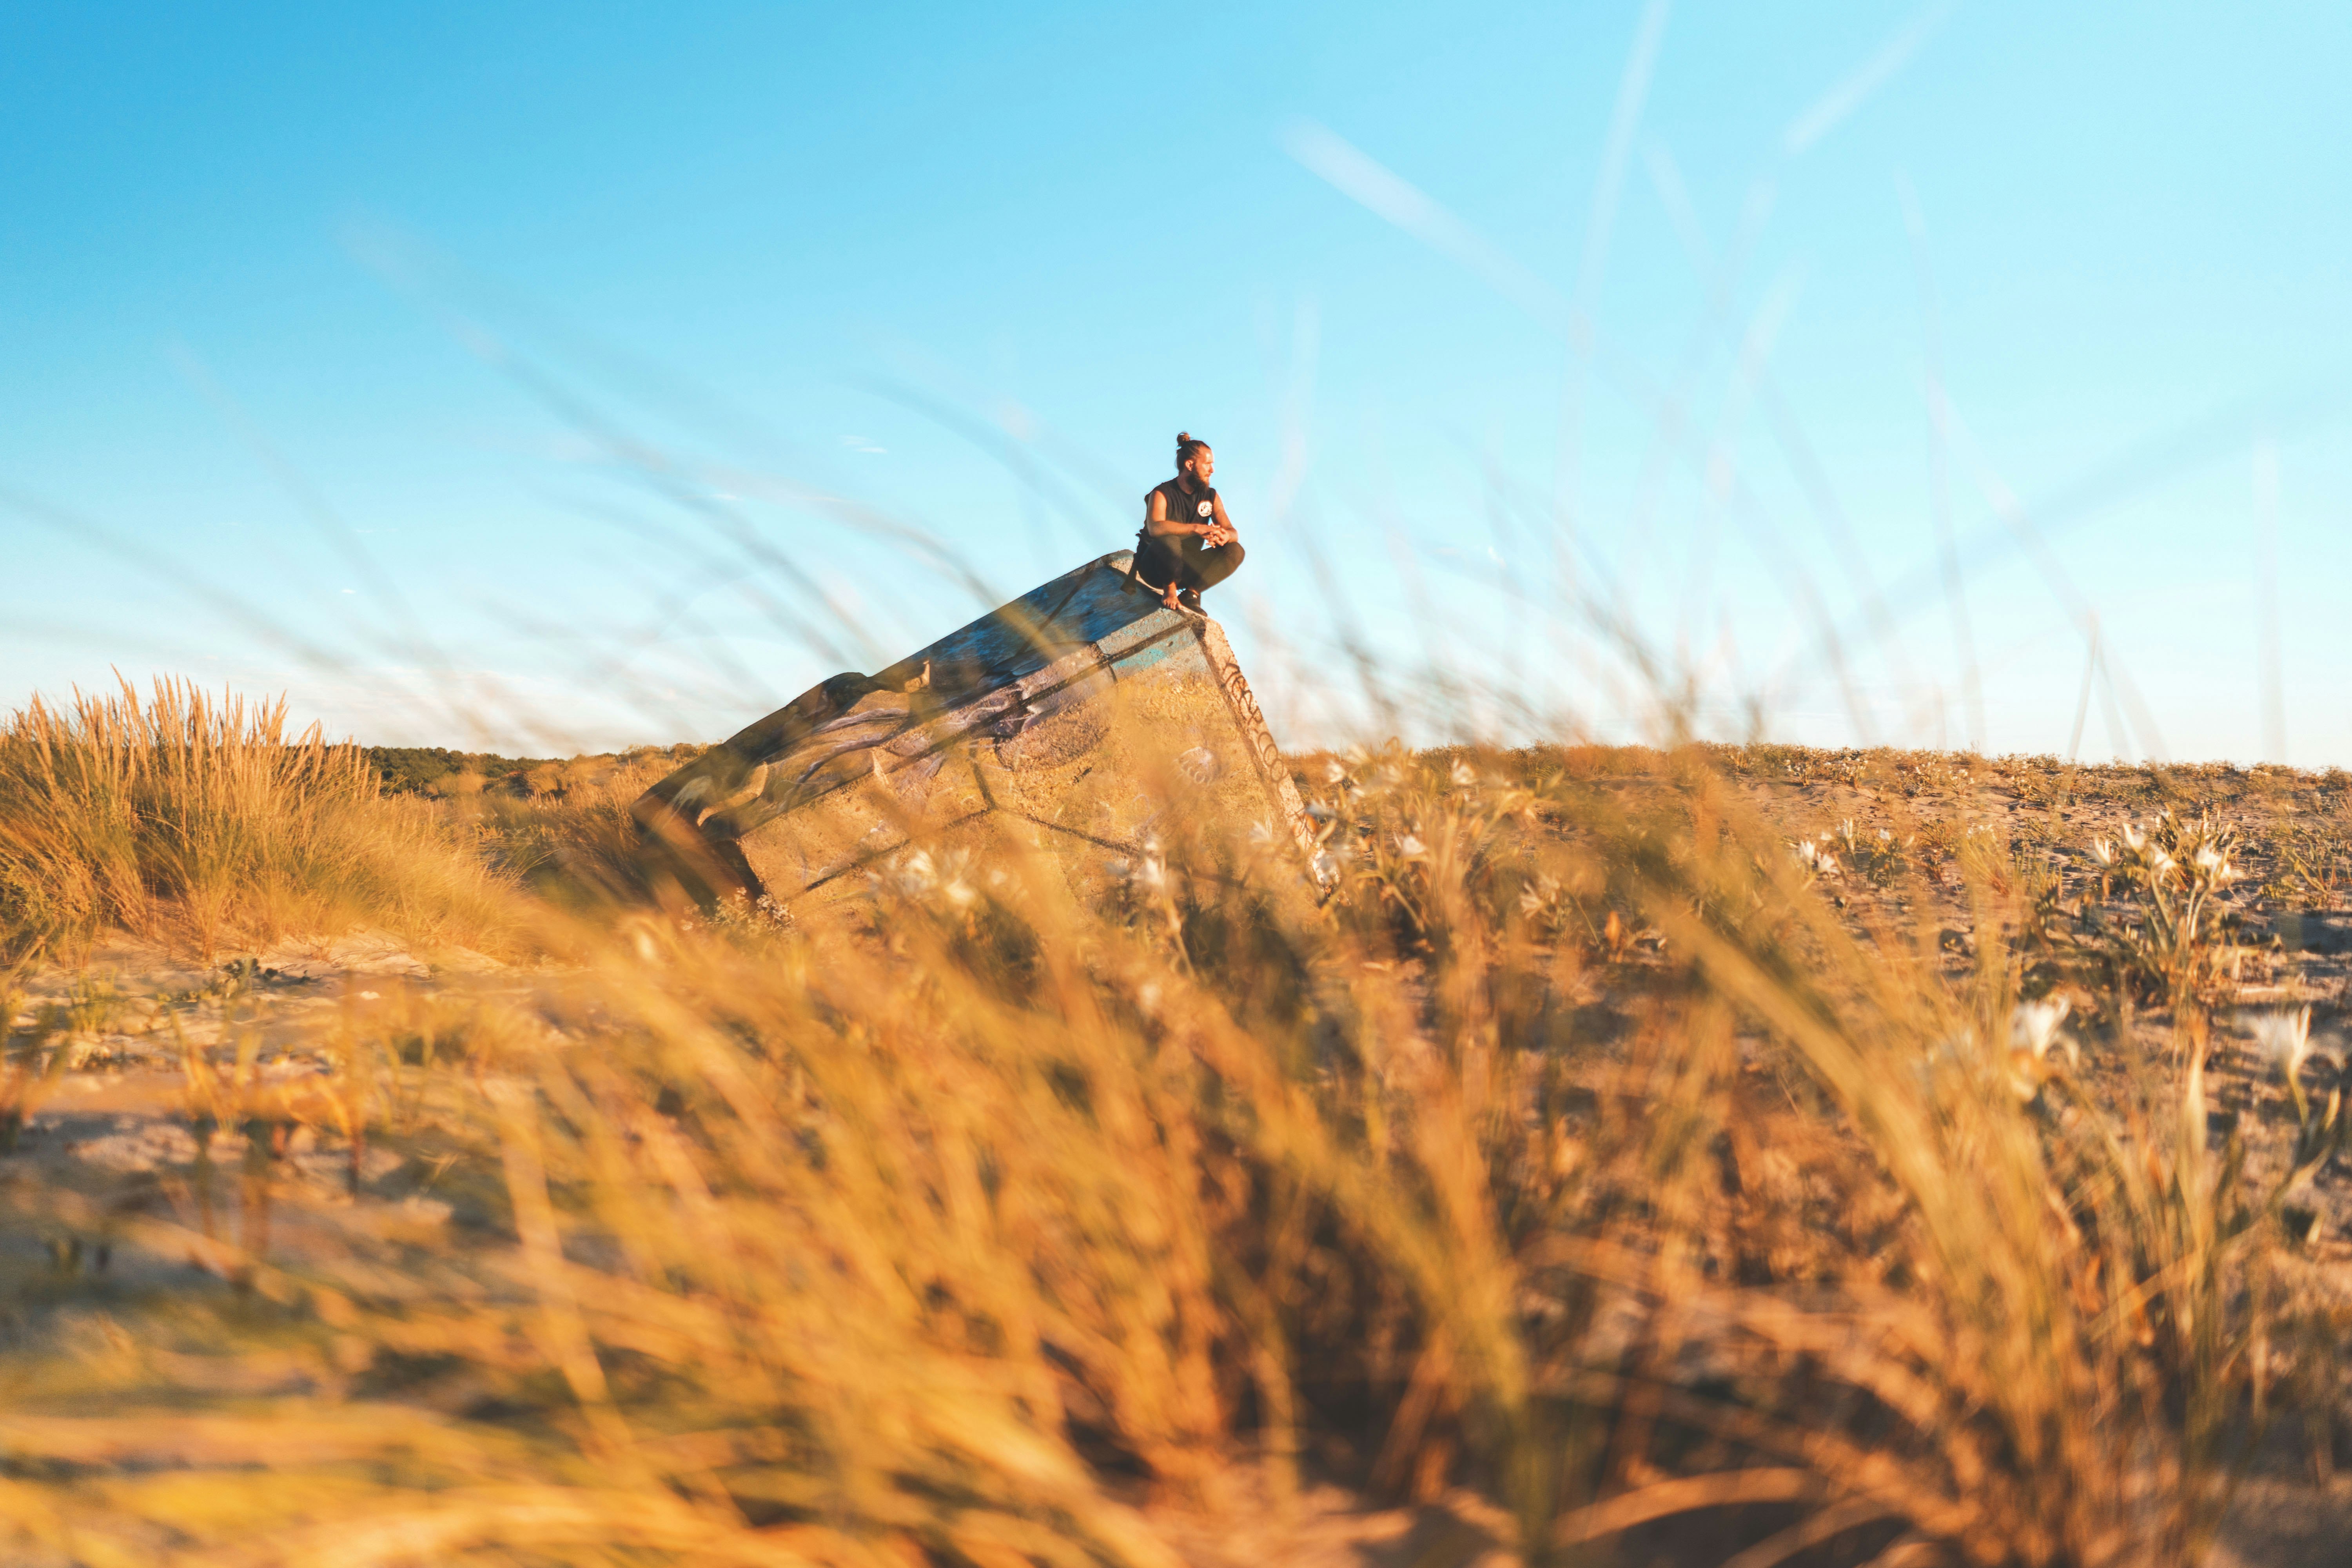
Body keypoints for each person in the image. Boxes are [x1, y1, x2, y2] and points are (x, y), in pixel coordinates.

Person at [1132, 431, 1244, 613]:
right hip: (1156, 569)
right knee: (1170, 540)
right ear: (1190, 465)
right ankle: (1170, 592)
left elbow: (1233, 532)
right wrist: (1196, 529)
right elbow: (1156, 528)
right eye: (1208, 464)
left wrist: (1224, 536)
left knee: (1235, 550)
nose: (1212, 470)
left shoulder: (1211, 496)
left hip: (1186, 567)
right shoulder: (1162, 493)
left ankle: (1191, 594)